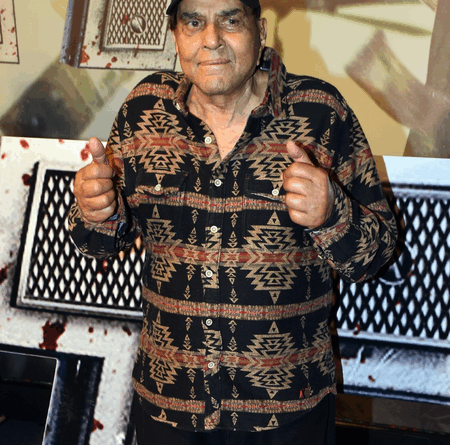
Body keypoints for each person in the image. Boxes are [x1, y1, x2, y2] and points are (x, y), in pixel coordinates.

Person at [69, 0, 397, 443]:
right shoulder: (143, 110)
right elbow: (98, 242)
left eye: (230, 20)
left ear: (260, 30)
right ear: (175, 35)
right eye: (193, 22)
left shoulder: (319, 112)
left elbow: (378, 253)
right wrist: (96, 211)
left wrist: (331, 213)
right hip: (170, 405)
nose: (211, 40)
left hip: (287, 411)